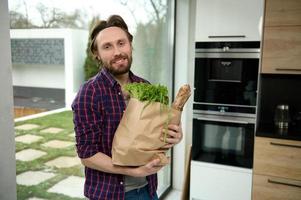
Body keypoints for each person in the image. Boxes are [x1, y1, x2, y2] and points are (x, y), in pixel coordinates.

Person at [72, 15, 183, 200]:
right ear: (97, 54)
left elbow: (154, 136)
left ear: (130, 44)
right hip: (110, 195)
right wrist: (135, 171)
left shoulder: (146, 86)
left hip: (148, 190)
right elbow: (87, 154)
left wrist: (174, 135)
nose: (117, 52)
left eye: (121, 43)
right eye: (107, 47)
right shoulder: (90, 92)